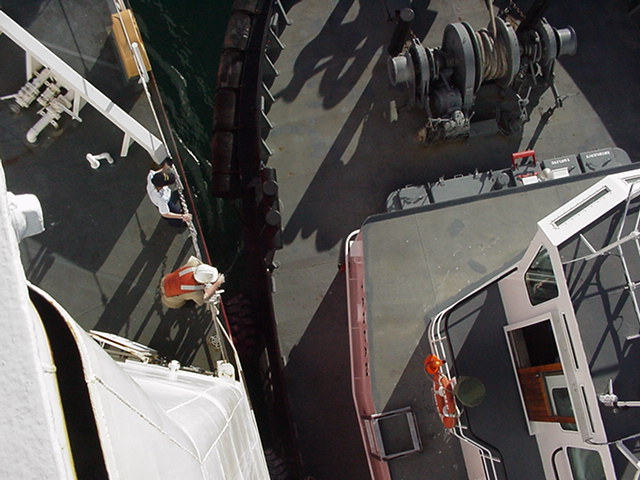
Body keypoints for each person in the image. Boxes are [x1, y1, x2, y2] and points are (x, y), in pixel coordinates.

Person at [161, 256, 225, 309]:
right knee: (189, 303)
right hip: (169, 300)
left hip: (165, 281)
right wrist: (217, 283)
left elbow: (201, 266)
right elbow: (204, 298)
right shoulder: (195, 292)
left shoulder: (194, 263)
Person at [146, 162, 192, 227]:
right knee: (175, 217)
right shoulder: (161, 199)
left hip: (167, 196)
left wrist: (165, 166)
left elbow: (155, 171)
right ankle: (176, 223)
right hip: (166, 203)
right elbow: (164, 213)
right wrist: (182, 216)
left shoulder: (151, 175)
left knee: (175, 195)